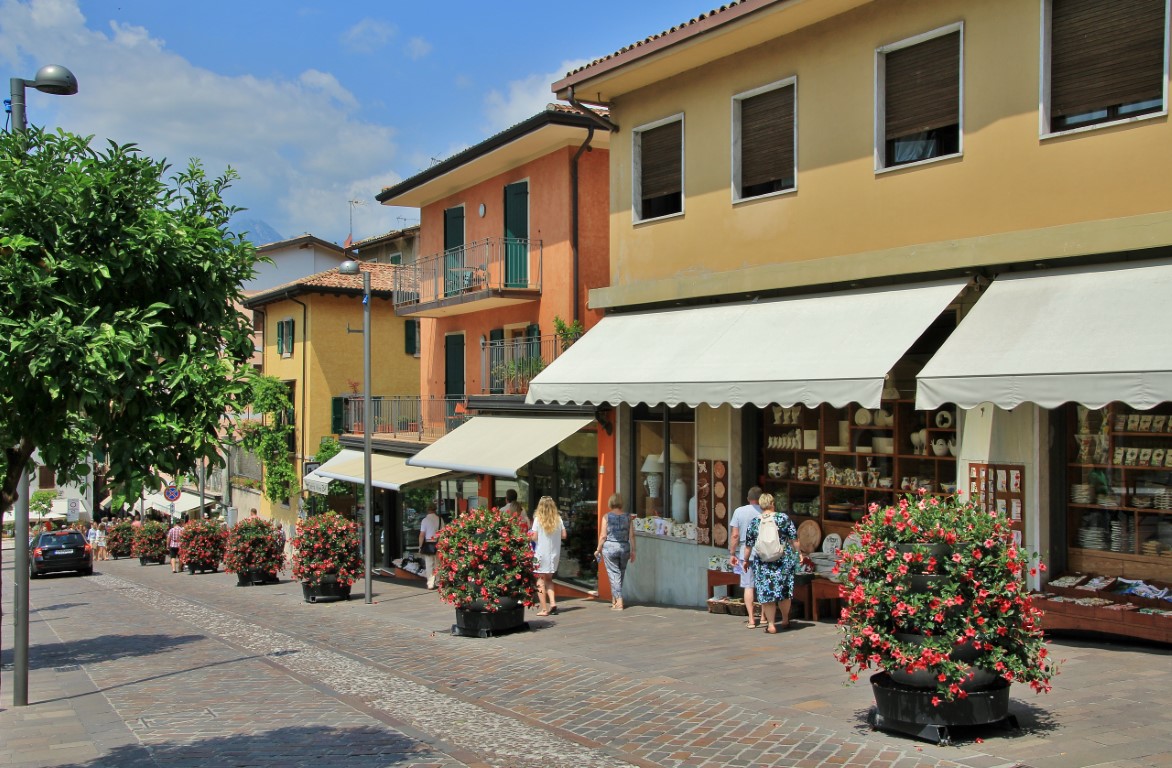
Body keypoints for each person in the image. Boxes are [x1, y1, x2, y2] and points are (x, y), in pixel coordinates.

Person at [742, 493, 799, 634]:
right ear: (773, 503)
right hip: (783, 561)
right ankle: (785, 619)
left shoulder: (755, 522)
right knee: (784, 591)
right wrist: (800, 553)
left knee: (767, 594)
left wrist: (745, 560)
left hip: (763, 563)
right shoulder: (783, 518)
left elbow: (748, 545)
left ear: (761, 505)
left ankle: (771, 625)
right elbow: (794, 539)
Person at [728, 486, 763, 628]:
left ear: (748, 499)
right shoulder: (766, 512)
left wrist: (732, 553)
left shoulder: (739, 511)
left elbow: (735, 535)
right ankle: (764, 616)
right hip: (763, 551)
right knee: (763, 584)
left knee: (748, 586)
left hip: (745, 551)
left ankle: (751, 619)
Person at [595, 493, 635, 610]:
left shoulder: (606, 517)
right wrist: (633, 550)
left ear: (611, 503)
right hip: (624, 547)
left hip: (610, 548)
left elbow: (603, 536)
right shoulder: (628, 517)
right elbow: (632, 536)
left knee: (614, 574)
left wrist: (598, 549)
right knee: (620, 574)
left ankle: (619, 601)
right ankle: (615, 599)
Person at [529, 496, 567, 616]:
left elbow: (534, 537)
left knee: (539, 581)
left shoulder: (538, 519)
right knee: (549, 579)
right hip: (553, 554)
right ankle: (553, 603)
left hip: (541, 554)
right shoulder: (558, 519)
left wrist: (529, 536)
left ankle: (544, 609)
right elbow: (564, 535)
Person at [418, 504, 442, 590]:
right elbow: (443, 532)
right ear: (435, 510)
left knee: (429, 565)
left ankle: (430, 583)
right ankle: (438, 582)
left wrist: (420, 546)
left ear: (427, 510)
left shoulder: (425, 520)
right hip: (439, 543)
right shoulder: (440, 519)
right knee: (438, 564)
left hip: (428, 543)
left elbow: (422, 535)